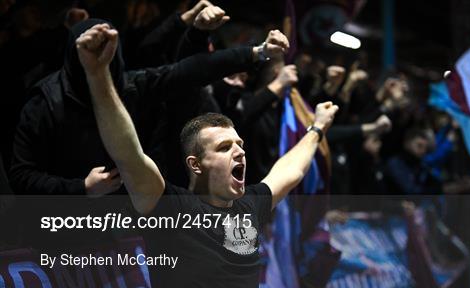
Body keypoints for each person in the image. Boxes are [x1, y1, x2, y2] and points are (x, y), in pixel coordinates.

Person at [76, 23, 338, 288]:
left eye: (239, 144)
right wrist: (98, 75)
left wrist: (316, 129)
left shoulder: (249, 205)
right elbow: (127, 152)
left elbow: (290, 170)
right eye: (225, 147)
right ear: (195, 164)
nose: (239, 151)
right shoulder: (169, 209)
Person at [9, 16, 287, 195]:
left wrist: (257, 53)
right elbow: (22, 175)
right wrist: (80, 188)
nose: (99, 75)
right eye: (92, 66)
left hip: (127, 223)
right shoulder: (43, 105)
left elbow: (190, 70)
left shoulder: (130, 86)